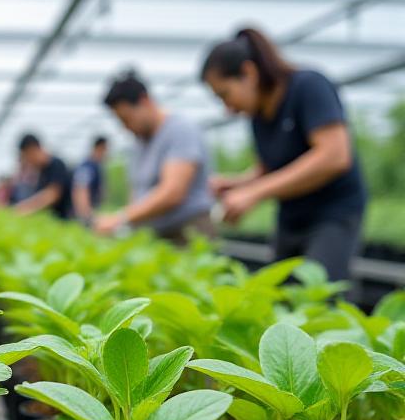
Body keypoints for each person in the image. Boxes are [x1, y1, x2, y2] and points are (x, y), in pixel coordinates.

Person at [201, 28, 367, 282]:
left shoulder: (308, 86)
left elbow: (334, 156)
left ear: (248, 72)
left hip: (332, 213)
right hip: (292, 215)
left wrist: (255, 192)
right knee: (280, 290)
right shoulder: (259, 116)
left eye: (225, 94)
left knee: (318, 290)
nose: (227, 108)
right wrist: (237, 183)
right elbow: (270, 168)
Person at [95, 71, 215, 245]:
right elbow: (137, 192)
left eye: (127, 119)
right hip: (158, 235)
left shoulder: (179, 129)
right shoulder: (139, 144)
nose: (125, 127)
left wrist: (120, 218)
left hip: (189, 233)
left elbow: (173, 192)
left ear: (144, 101)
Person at [11, 134, 73, 219]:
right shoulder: (41, 171)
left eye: (27, 157)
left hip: (65, 219)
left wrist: (25, 208)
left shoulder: (56, 165)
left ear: (32, 150)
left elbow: (53, 194)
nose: (28, 162)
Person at [71, 136, 108, 224]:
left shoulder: (96, 166)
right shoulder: (87, 167)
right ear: (100, 148)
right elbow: (81, 190)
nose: (107, 154)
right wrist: (87, 216)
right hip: (85, 216)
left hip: (92, 212)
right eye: (106, 150)